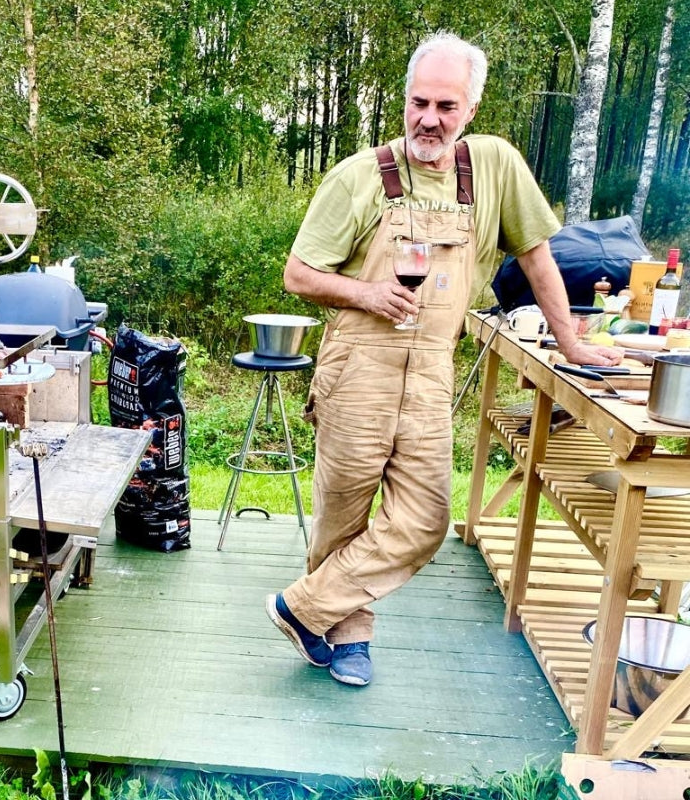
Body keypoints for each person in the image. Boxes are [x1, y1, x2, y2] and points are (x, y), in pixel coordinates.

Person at [265, 30, 623, 687]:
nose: (429, 118)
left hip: (431, 366)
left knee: (426, 519)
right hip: (359, 362)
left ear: (471, 111)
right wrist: (367, 292)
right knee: (343, 512)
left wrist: (571, 341)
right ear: (403, 101)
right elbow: (298, 274)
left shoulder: (494, 168)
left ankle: (304, 607)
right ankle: (350, 639)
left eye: (446, 106)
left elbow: (537, 255)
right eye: (418, 102)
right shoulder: (359, 176)